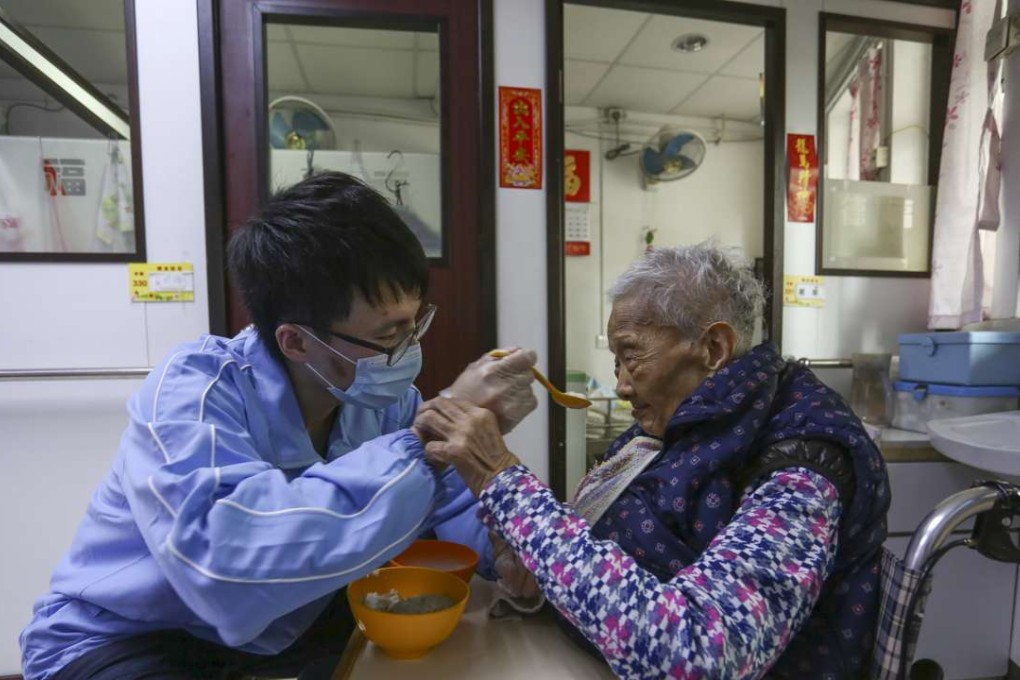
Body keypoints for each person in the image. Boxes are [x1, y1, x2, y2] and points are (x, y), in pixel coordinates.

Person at [20, 172, 538, 680]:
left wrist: (503, 544)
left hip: (279, 631)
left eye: (415, 322)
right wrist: (425, 437)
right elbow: (225, 567)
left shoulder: (388, 404)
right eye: (390, 333)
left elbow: (448, 501)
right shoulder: (192, 391)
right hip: (129, 636)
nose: (409, 351)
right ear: (295, 342)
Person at [416, 243, 891, 679]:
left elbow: (696, 655)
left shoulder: (801, 464)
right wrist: (538, 577)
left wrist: (503, 481)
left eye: (631, 354)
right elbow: (608, 554)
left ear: (713, 349)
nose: (622, 385)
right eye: (616, 362)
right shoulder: (679, 422)